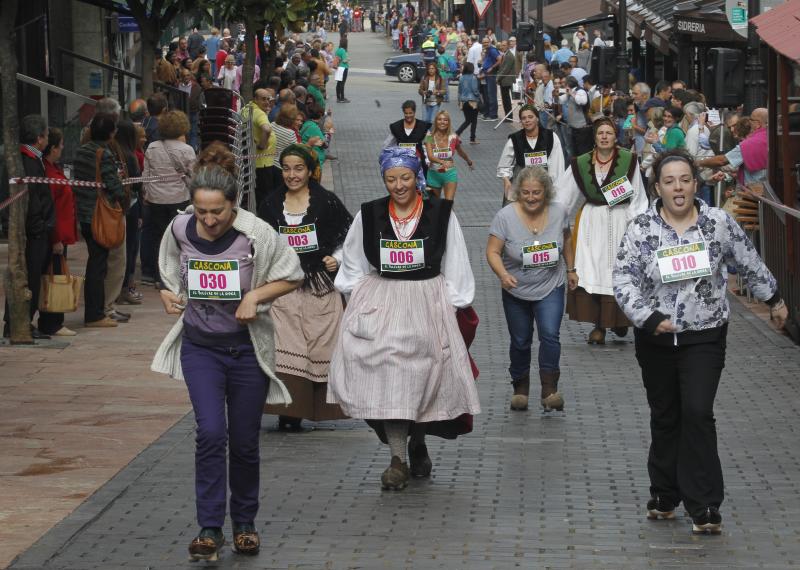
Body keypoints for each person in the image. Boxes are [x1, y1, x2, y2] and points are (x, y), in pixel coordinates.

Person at [612, 149, 787, 535]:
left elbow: (748, 259)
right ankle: (664, 492)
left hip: (705, 335)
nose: (678, 187)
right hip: (655, 337)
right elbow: (623, 281)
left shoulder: (717, 223)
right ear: (657, 186)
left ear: (696, 183)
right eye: (669, 181)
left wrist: (773, 298)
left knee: (696, 411)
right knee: (666, 414)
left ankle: (705, 503)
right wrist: (648, 317)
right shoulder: (641, 229)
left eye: (685, 180)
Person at [151, 142, 303, 560]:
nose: (209, 220)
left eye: (217, 211)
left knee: (244, 441)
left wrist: (255, 298)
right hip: (201, 349)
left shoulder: (255, 233)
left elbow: (292, 274)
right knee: (210, 434)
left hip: (246, 351)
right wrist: (169, 294)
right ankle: (209, 527)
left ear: (233, 205)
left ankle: (246, 523)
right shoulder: (180, 227)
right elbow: (167, 268)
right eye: (201, 211)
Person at [327, 147, 481, 490]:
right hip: (383, 299)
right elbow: (353, 261)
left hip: (427, 299)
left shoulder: (441, 213)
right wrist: (356, 300)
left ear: (417, 177)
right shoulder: (368, 214)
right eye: (391, 178)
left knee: (421, 377)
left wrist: (456, 303)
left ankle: (418, 440)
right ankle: (398, 458)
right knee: (390, 375)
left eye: (405, 178)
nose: (398, 185)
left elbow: (455, 258)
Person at [259, 144, 353, 429]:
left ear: (310, 171)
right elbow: (261, 243)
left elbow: (348, 237)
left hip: (319, 287)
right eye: (286, 168)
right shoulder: (271, 204)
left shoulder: (327, 202)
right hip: (283, 286)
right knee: (286, 344)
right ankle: (289, 411)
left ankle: (316, 407)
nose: (292, 174)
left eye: (298, 168)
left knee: (318, 344)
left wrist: (335, 258)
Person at [487, 166, 577, 412]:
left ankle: (549, 390)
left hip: (551, 284)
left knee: (550, 334)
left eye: (536, 192)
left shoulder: (559, 212)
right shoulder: (505, 216)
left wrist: (571, 269)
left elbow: (567, 239)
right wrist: (503, 274)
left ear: (546, 192)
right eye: (525, 192)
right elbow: (493, 251)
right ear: (518, 192)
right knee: (520, 339)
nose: (530, 197)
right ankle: (520, 388)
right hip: (515, 289)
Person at [555, 117, 648, 344]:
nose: (604, 136)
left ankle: (617, 320)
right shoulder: (581, 163)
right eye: (600, 133)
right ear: (595, 138)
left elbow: (637, 197)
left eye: (608, 133)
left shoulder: (629, 160)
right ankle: (599, 326)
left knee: (615, 270)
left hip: (619, 220)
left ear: (615, 136)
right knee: (592, 269)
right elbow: (564, 195)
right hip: (592, 220)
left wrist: (635, 227)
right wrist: (554, 221)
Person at [73, 113, 126, 328]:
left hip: (84, 213)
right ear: (111, 133)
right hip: (99, 214)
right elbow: (113, 187)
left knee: (95, 261)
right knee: (98, 264)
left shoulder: (80, 151)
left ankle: (94, 312)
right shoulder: (103, 154)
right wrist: (120, 188)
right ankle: (95, 315)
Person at [143, 110, 197, 287]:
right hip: (178, 198)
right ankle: (173, 277)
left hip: (155, 199)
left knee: (158, 238)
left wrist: (146, 193)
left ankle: (157, 275)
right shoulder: (187, 150)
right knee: (177, 239)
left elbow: (146, 175)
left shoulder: (152, 147)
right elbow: (193, 176)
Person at [36, 127, 76, 337]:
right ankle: (51, 322)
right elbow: (51, 208)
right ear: (52, 148)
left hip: (61, 230)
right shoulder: (48, 173)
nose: (62, 149)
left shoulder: (54, 169)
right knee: (54, 276)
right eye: (60, 146)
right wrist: (56, 239)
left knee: (55, 274)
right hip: (56, 232)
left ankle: (53, 319)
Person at [496, 104, 566, 204]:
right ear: (521, 122)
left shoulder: (551, 137)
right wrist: (506, 180)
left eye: (530, 117)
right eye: (523, 118)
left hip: (543, 185)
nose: (527, 120)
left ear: (537, 118)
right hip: (521, 185)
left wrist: (556, 191)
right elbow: (504, 165)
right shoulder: (514, 139)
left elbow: (557, 166)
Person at [113, 120, 145, 307]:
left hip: (118, 207)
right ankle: (125, 287)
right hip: (131, 206)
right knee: (131, 249)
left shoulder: (115, 153)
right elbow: (137, 184)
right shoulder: (130, 156)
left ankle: (120, 288)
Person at [423, 110, 474, 200]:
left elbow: (460, 151)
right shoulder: (430, 137)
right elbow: (430, 157)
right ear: (436, 121)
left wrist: (469, 161)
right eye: (439, 119)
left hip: (449, 173)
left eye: (445, 120)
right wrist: (442, 162)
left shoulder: (453, 137)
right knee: (434, 204)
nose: (442, 122)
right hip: (433, 174)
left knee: (448, 203)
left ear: (448, 122)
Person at [243, 88, 277, 208]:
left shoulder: (247, 108)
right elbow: (266, 129)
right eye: (263, 99)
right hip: (263, 162)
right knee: (264, 195)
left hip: (255, 160)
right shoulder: (259, 113)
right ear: (255, 99)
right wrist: (262, 145)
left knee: (258, 193)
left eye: (268, 99)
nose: (267, 102)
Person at [384, 100, 431, 177]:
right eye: (406, 113)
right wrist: (391, 156)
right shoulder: (396, 127)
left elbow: (429, 142)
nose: (408, 116)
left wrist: (428, 160)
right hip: (401, 164)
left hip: (419, 163)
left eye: (410, 113)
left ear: (414, 112)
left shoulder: (424, 126)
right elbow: (387, 145)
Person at [455, 62, 481, 144]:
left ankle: (472, 138)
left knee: (469, 120)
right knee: (471, 120)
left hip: (463, 101)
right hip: (472, 101)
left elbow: (459, 91)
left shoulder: (461, 78)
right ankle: (457, 133)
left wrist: (459, 101)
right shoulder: (473, 78)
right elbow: (475, 90)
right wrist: (479, 95)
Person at [496, 40, 517, 122]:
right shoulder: (505, 54)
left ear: (508, 46)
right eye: (501, 45)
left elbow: (505, 69)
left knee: (506, 100)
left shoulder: (509, 56)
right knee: (505, 99)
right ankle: (507, 116)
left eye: (504, 45)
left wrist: (497, 78)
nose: (502, 47)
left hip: (506, 81)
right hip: (503, 80)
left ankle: (509, 117)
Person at [334, 36, 350, 103]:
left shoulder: (337, 49)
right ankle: (342, 98)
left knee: (338, 82)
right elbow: (344, 60)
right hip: (344, 68)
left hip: (338, 68)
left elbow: (337, 58)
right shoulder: (343, 50)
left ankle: (338, 97)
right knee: (342, 83)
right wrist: (348, 59)